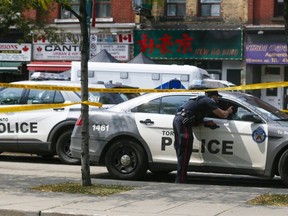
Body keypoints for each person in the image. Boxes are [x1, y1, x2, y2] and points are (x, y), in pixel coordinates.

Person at [172, 90, 233, 183]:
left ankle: (182, 177)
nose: (217, 100)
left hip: (179, 121)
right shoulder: (208, 100)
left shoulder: (200, 101)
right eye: (217, 97)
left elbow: (195, 119)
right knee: (184, 151)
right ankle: (180, 179)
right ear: (213, 96)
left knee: (182, 151)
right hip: (183, 122)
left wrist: (205, 122)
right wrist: (228, 111)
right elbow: (222, 114)